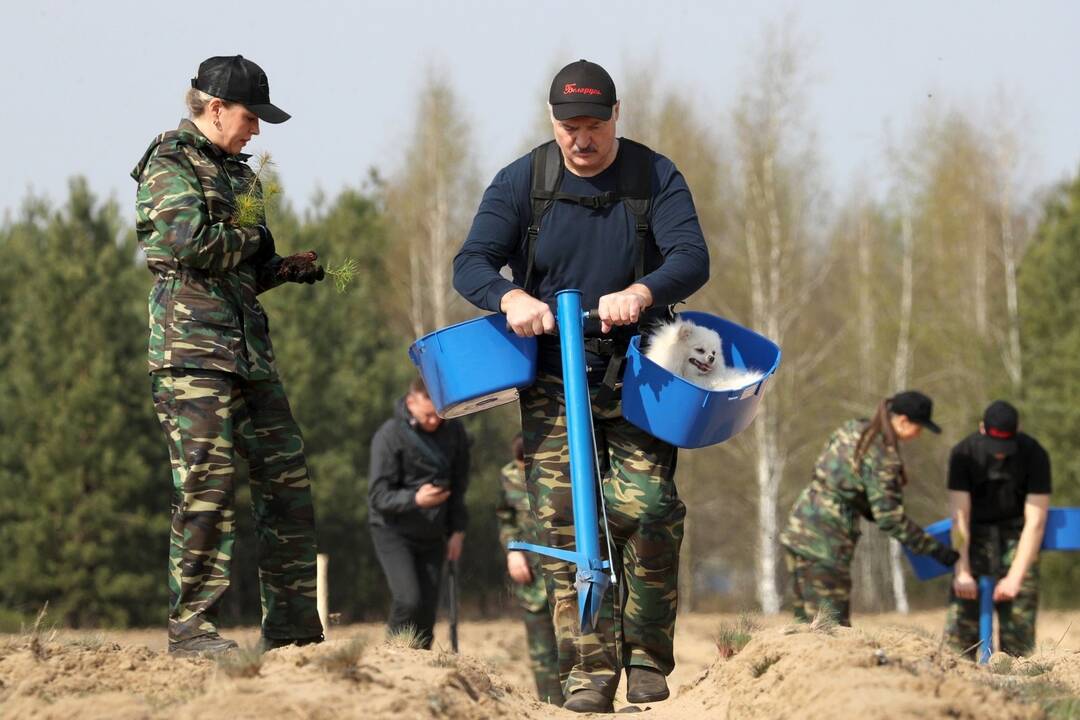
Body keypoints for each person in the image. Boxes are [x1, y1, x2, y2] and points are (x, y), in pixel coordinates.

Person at [453, 59, 709, 713]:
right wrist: (509, 297)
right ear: (553, 122)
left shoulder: (654, 177)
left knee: (647, 509)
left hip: (640, 374)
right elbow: (472, 261)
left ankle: (646, 658)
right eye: (570, 127)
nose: (582, 139)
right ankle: (586, 673)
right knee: (567, 525)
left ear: (616, 117)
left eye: (594, 125)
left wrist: (644, 290)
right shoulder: (524, 182)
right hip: (550, 377)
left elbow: (691, 256)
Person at [131, 55, 327, 656]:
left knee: (287, 481)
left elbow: (238, 270)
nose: (257, 130)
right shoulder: (169, 161)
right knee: (206, 487)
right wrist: (250, 243)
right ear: (215, 109)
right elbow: (190, 243)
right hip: (191, 354)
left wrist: (281, 268)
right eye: (250, 117)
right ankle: (191, 628)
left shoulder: (240, 175)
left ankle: (293, 630)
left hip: (247, 353)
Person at [779, 392, 960, 627]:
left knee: (805, 623)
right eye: (919, 427)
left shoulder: (854, 429)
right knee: (830, 628)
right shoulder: (884, 456)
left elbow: (835, 474)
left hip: (799, 526)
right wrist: (939, 552)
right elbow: (890, 520)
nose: (919, 434)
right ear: (903, 421)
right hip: (826, 542)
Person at [368, 376, 469, 649]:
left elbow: (459, 485)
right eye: (428, 415)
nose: (435, 421)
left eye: (439, 414)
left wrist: (457, 531)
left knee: (426, 609)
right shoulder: (389, 436)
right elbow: (378, 496)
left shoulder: (455, 431)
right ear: (411, 402)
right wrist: (415, 498)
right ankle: (393, 657)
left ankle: (421, 666)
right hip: (393, 531)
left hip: (434, 532)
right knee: (408, 599)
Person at [945, 400, 1051, 658]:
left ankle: (1019, 682)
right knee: (961, 632)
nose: (1000, 454)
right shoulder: (964, 453)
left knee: (1019, 627)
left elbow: (1036, 521)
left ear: (1019, 430)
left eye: (1006, 447)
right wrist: (963, 571)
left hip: (1019, 536)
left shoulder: (1035, 454)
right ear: (982, 429)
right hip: (974, 535)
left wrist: (1015, 578)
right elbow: (960, 518)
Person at [495, 434, 563, 706]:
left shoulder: (562, 468)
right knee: (542, 652)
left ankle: (586, 706)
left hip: (567, 573)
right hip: (531, 575)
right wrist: (512, 551)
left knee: (577, 645)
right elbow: (505, 518)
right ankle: (551, 708)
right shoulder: (508, 475)